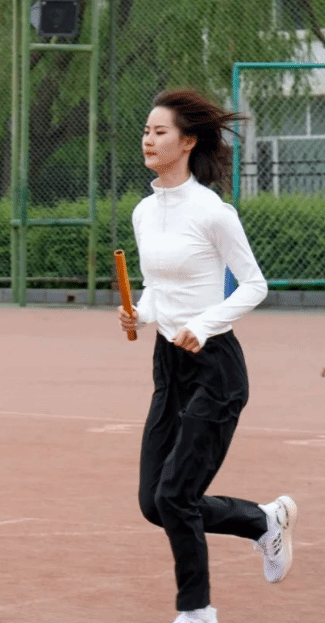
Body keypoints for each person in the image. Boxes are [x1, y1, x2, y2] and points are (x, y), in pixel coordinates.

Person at [118, 89, 297, 623]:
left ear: (188, 142)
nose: (148, 140)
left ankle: (196, 612)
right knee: (155, 503)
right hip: (168, 366)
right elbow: (157, 289)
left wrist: (203, 323)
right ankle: (262, 520)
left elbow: (255, 285)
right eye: (146, 131)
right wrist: (139, 314)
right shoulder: (144, 212)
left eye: (160, 132)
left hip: (215, 368)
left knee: (176, 495)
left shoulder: (213, 212)